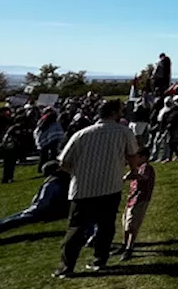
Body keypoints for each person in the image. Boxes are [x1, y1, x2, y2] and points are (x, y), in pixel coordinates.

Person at [55, 99, 140, 278]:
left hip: (82, 187)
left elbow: (64, 162)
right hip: (110, 185)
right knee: (106, 225)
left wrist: (78, 173)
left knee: (76, 228)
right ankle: (100, 259)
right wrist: (133, 171)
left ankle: (66, 267)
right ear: (114, 113)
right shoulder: (124, 132)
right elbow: (132, 155)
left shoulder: (82, 134)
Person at [119, 145, 155, 260]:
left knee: (132, 224)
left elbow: (144, 178)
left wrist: (131, 175)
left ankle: (130, 247)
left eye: (137, 157)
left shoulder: (146, 167)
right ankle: (124, 244)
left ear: (143, 157)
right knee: (125, 222)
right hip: (132, 198)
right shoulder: (138, 167)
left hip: (140, 199)